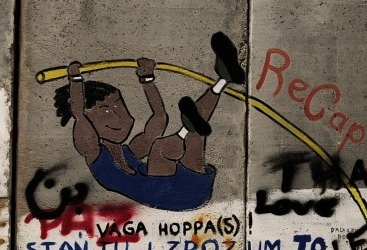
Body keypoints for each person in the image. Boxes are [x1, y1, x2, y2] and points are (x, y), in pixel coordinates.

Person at [54, 32, 245, 212]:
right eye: (105, 110)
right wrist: (75, 81)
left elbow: (159, 117)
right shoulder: (94, 154)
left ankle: (223, 79)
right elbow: (79, 115)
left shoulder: (130, 152)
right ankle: (185, 130)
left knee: (195, 136)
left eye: (118, 105)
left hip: (194, 187)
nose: (119, 115)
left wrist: (147, 79)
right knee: (161, 148)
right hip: (167, 195)